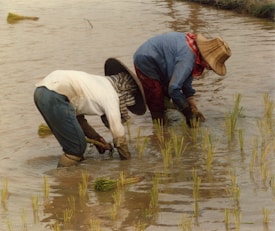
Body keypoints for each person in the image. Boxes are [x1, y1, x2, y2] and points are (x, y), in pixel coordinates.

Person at [34, 58, 146, 167]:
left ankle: (73, 179)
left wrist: (96, 138)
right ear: (125, 92)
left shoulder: (98, 82)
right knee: (76, 148)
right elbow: (117, 131)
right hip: (54, 95)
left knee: (74, 143)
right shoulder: (112, 96)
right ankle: (61, 179)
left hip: (40, 91)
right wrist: (127, 162)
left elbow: (76, 119)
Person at [133, 32, 231, 127]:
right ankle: (159, 129)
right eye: (211, 65)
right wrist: (187, 112)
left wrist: (193, 106)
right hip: (146, 59)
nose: (209, 68)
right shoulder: (188, 58)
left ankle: (165, 119)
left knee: (165, 92)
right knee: (155, 96)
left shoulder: (194, 49)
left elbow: (185, 81)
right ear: (206, 59)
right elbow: (174, 88)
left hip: (159, 58)